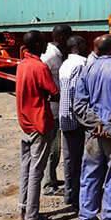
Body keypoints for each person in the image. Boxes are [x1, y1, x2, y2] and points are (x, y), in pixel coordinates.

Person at [73, 35, 111, 220]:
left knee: (89, 177)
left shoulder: (86, 69)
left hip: (93, 134)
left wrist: (95, 123)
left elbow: (79, 104)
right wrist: (110, 126)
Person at [16, 30, 59, 220]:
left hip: (24, 122)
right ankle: (32, 216)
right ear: (36, 45)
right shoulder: (40, 67)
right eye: (43, 42)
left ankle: (23, 209)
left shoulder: (22, 65)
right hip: (39, 123)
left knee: (26, 167)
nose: (45, 45)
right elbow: (54, 91)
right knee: (36, 171)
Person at [40, 24, 72, 195]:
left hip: (56, 105)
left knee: (54, 145)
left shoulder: (56, 54)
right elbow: (42, 80)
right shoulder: (51, 56)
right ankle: (49, 185)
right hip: (53, 107)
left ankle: (51, 178)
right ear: (61, 38)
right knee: (54, 146)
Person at [58, 35, 88, 210]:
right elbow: (78, 95)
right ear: (79, 46)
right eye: (84, 43)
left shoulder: (65, 64)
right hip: (76, 120)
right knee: (81, 160)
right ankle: (78, 197)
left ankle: (70, 194)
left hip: (65, 118)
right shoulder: (80, 65)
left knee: (70, 160)